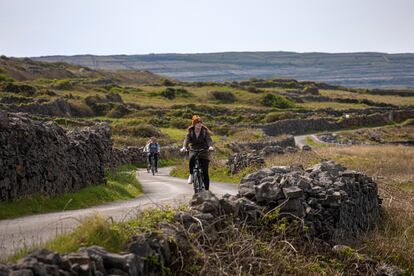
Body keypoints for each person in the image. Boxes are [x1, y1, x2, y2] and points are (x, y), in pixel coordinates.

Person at [180, 115, 214, 190]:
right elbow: (186, 140)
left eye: (200, 123)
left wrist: (210, 146)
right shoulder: (190, 132)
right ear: (194, 124)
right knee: (192, 158)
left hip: (204, 150)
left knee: (205, 171)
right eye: (198, 123)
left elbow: (209, 140)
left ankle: (207, 190)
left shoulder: (204, 132)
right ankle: (191, 175)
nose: (200, 124)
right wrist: (184, 147)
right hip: (193, 149)